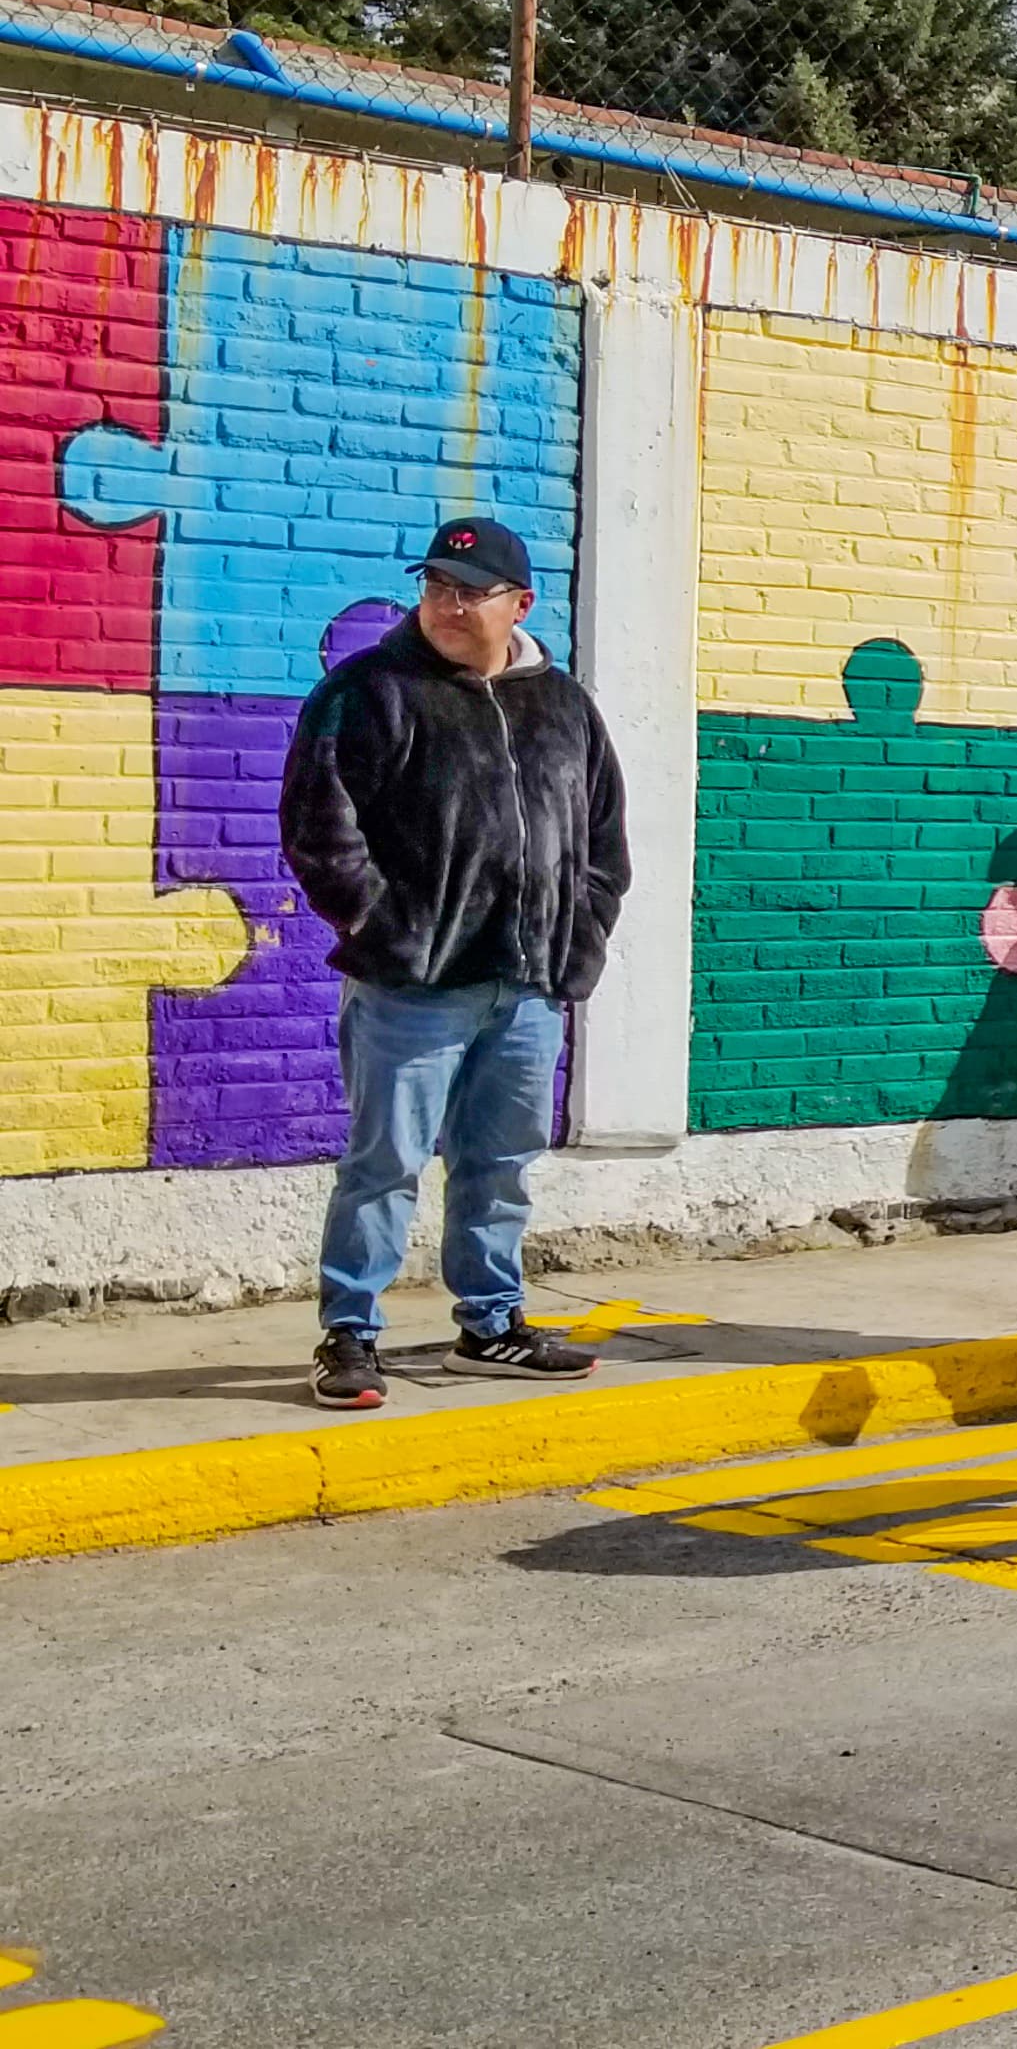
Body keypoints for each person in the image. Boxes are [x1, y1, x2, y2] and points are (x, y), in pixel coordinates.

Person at [280, 517, 630, 1410]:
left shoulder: (566, 706)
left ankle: (490, 1323)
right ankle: (350, 1333)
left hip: (527, 990)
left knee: (501, 1162)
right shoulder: (370, 691)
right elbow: (321, 830)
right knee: (383, 1162)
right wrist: (385, 927)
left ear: (520, 603)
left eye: (469, 591)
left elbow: (603, 843)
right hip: (412, 990)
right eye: (436, 586)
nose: (447, 604)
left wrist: (575, 943)